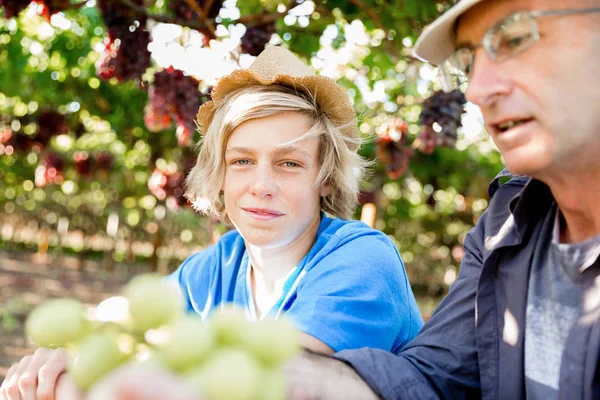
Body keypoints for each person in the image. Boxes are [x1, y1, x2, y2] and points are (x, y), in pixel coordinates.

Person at [0, 46, 423, 400]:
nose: (261, 185)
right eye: (241, 161)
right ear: (219, 173)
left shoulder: (363, 260)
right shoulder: (219, 265)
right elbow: (131, 327)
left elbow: (275, 379)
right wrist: (72, 355)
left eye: (289, 163)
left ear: (325, 177)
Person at [283, 0, 600, 399]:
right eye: (468, 63)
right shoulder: (507, 223)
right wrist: (278, 378)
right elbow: (435, 377)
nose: (477, 90)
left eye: (515, 39)